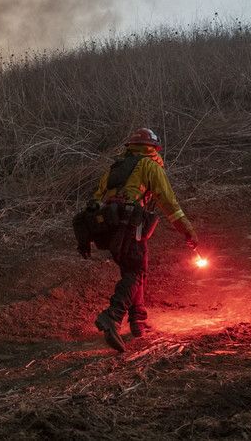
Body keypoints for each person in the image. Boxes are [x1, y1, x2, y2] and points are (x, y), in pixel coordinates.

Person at [73, 128, 198, 352]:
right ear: (154, 148)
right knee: (136, 271)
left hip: (108, 227)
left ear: (131, 147)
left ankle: (137, 320)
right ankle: (112, 316)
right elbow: (169, 203)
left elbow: (97, 198)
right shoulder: (150, 166)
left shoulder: (115, 168)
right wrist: (188, 230)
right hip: (130, 225)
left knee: (133, 268)